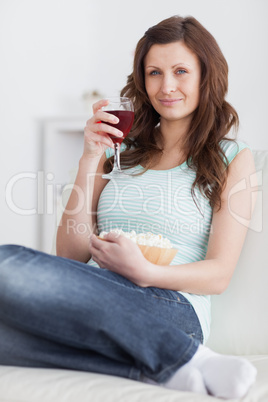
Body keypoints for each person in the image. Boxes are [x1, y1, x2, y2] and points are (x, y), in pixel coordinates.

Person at [0, 15, 258, 399]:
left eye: (181, 71)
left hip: (172, 307)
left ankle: (177, 349)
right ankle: (174, 363)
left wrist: (146, 271)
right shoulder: (122, 152)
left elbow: (218, 275)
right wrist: (90, 158)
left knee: (7, 262)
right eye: (154, 72)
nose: (166, 86)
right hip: (100, 291)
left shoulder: (232, 158)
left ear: (207, 76)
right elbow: (71, 253)